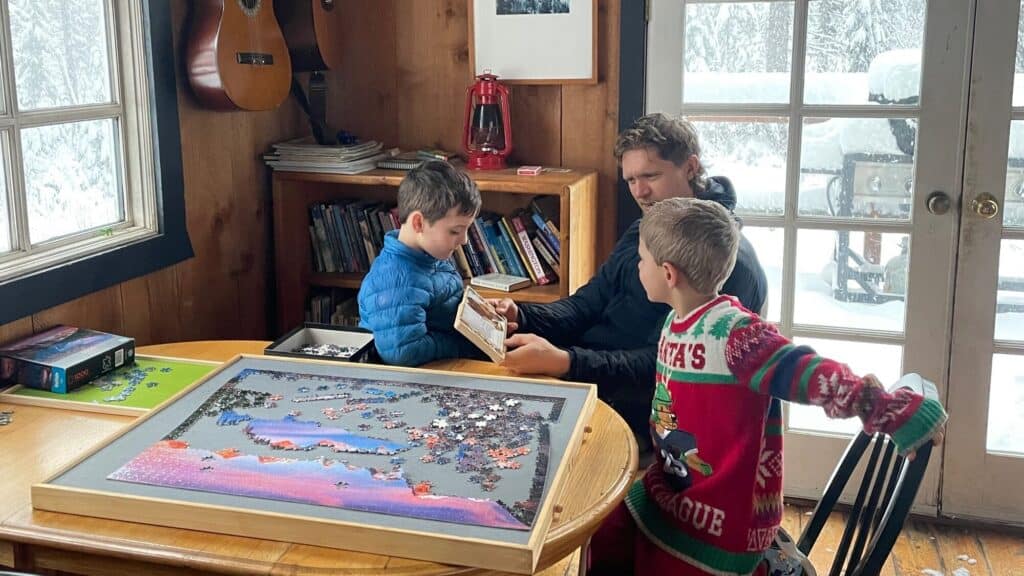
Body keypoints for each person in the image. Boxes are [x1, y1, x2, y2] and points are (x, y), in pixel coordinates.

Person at [588, 197, 947, 575]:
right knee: (606, 533)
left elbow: (813, 374)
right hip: (673, 489)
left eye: (641, 259)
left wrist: (887, 409)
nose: (637, 267)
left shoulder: (736, 336)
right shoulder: (676, 322)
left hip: (722, 518)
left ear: (668, 273)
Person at [492, 113, 768, 444]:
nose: (640, 192)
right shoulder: (648, 226)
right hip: (586, 376)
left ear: (691, 168)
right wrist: (521, 314)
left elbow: (663, 366)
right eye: (631, 180)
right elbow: (586, 303)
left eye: (650, 176)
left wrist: (566, 362)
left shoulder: (727, 261)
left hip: (643, 412)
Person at [358, 161, 483, 366]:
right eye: (455, 231)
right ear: (418, 223)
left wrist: (478, 312)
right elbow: (403, 353)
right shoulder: (396, 282)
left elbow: (444, 303)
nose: (464, 241)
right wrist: (463, 345)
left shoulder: (430, 254)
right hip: (416, 376)